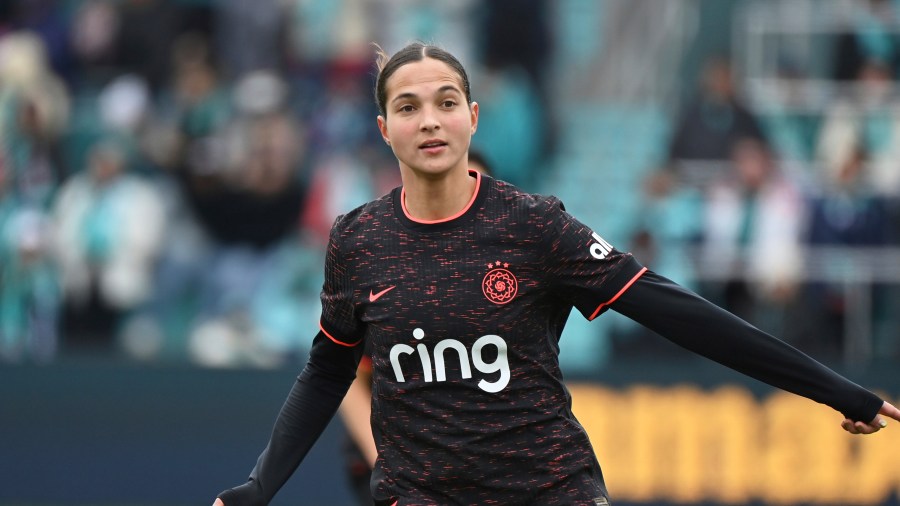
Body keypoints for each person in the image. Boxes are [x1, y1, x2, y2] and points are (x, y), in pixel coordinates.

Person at [214, 42, 899, 506]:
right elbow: (327, 372)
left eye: (447, 102)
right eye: (409, 107)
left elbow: (679, 314)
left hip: (548, 491)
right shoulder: (358, 241)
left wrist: (837, 391)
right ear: (384, 128)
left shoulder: (533, 226)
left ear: (473, 118)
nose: (431, 120)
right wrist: (257, 488)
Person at [335, 150, 494, 506]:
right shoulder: (380, 270)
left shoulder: (506, 280)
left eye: (470, 188)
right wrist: (387, 464)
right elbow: (342, 377)